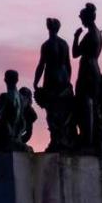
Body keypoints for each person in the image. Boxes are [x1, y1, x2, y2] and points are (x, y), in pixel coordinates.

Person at [32, 17, 75, 150]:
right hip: (63, 78)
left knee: (52, 111)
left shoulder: (47, 45)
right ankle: (63, 139)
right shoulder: (64, 44)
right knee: (64, 111)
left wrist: (35, 82)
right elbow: (68, 65)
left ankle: (56, 140)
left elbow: (41, 65)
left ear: (48, 28)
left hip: (51, 78)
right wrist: (68, 81)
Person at [72, 3, 102, 148]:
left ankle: (87, 140)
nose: (82, 22)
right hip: (95, 69)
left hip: (87, 70)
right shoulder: (98, 33)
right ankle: (91, 138)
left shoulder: (90, 34)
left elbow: (75, 53)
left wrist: (76, 37)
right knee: (92, 105)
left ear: (87, 18)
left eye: (82, 19)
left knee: (85, 104)